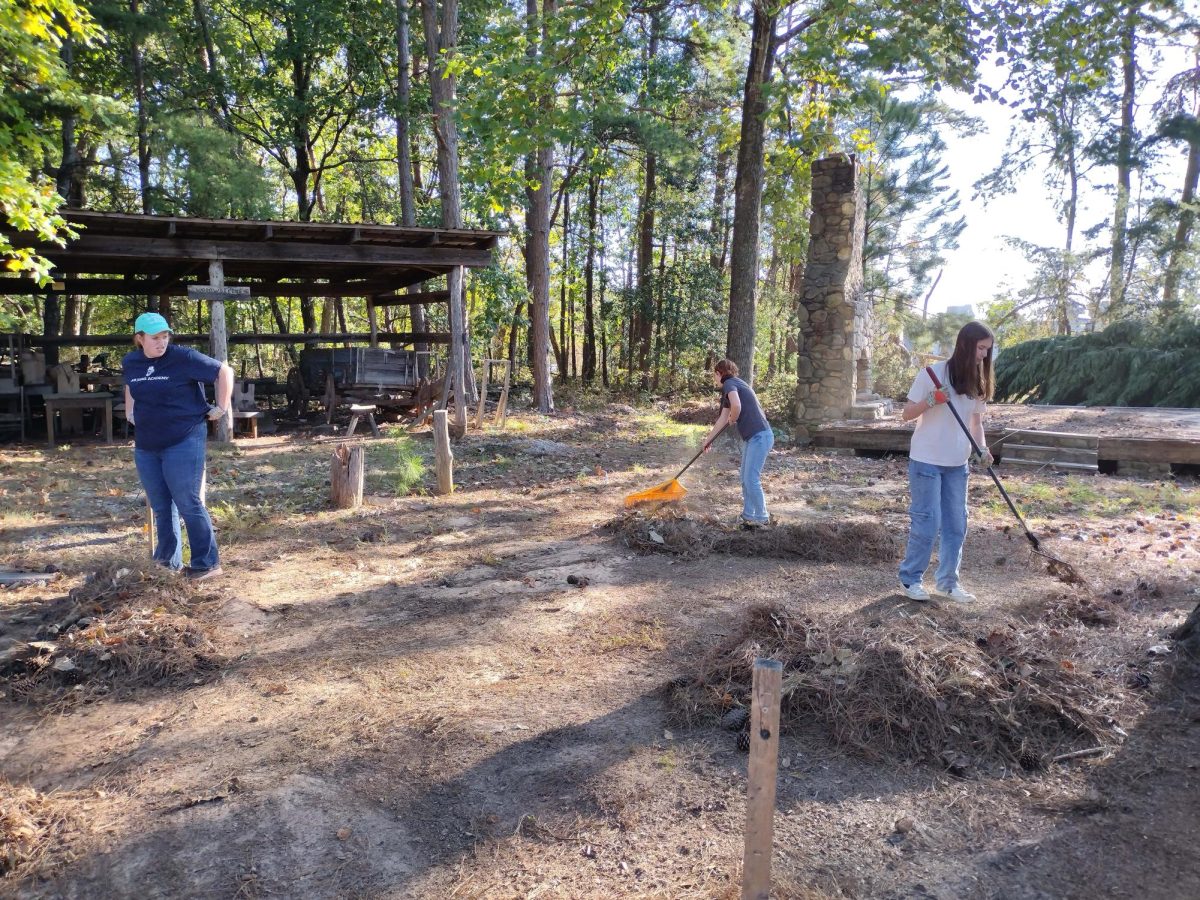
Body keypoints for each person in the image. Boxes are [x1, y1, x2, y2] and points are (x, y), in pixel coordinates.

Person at [123, 312, 233, 580]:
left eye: (165, 337)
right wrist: (130, 412)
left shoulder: (182, 357)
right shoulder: (131, 362)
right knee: (161, 506)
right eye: (155, 338)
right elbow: (130, 385)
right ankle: (166, 563)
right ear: (140, 339)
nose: (161, 342)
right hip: (148, 444)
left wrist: (221, 407)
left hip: (184, 438)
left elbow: (223, 370)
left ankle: (207, 564)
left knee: (188, 501)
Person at [898, 321, 995, 603]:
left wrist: (982, 449)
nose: (984, 356)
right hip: (926, 460)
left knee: (956, 524)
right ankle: (910, 579)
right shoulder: (933, 373)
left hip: (957, 463)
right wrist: (931, 400)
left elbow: (975, 422)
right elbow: (906, 414)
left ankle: (947, 583)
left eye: (988, 350)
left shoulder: (977, 380)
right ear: (965, 345)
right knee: (927, 523)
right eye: (980, 348)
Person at [702, 359, 774, 528]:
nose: (714, 378)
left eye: (714, 375)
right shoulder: (735, 385)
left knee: (751, 478)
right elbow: (722, 419)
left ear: (719, 373)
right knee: (744, 477)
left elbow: (737, 406)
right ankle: (748, 516)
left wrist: (734, 417)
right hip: (754, 437)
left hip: (760, 436)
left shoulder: (729, 384)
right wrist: (708, 440)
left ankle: (762, 518)